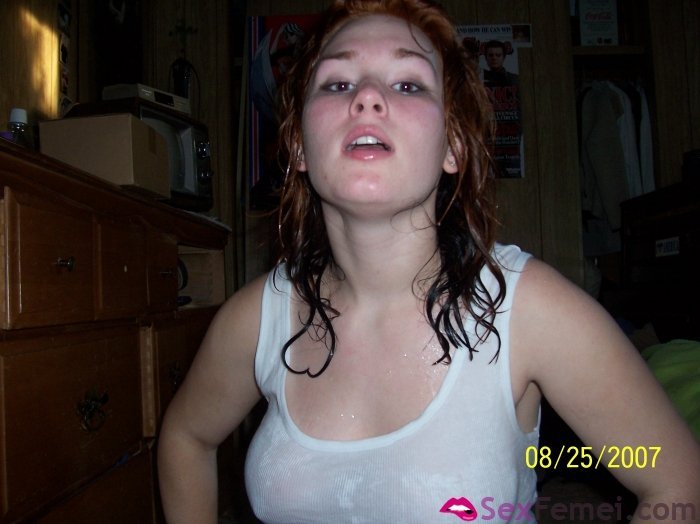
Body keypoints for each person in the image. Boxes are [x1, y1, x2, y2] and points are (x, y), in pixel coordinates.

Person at [157, 1, 700, 522]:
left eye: (408, 84)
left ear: (452, 147)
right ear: (298, 144)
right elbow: (186, 436)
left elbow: (678, 483)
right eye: (338, 83)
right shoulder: (257, 318)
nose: (368, 97)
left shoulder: (531, 311)